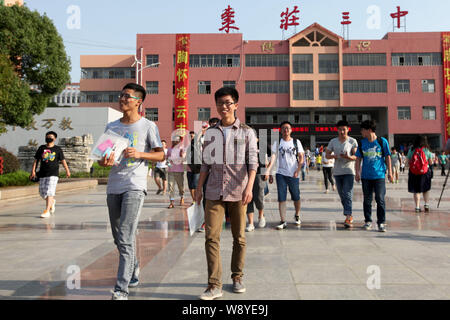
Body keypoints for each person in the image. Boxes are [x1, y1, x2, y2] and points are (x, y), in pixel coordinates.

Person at [98, 83, 164, 300]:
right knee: (119, 237)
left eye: (127, 96)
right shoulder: (112, 127)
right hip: (114, 185)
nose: (122, 99)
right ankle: (133, 268)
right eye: (121, 95)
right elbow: (101, 157)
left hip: (135, 186)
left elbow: (160, 155)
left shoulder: (147, 126)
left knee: (125, 235)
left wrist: (140, 154)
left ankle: (121, 289)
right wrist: (104, 161)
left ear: (139, 102)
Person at [195, 87, 257, 300]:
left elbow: (253, 163)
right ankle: (214, 285)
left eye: (228, 103)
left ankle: (237, 276)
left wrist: (249, 188)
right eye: (220, 103)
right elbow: (205, 164)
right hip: (213, 190)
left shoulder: (247, 132)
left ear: (236, 105)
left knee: (239, 238)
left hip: (239, 192)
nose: (224, 107)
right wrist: (198, 190)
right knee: (211, 237)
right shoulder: (211, 132)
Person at [355, 120, 393, 233]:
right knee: (367, 200)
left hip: (379, 175)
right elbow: (358, 159)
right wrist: (357, 172)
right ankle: (368, 221)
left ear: (369, 130)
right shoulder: (362, 143)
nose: (361, 132)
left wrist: (390, 172)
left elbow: (387, 157)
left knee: (380, 199)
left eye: (362, 130)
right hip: (366, 176)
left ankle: (381, 222)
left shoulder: (382, 141)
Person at [266, 121, 305, 230]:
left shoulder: (296, 142)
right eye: (283, 128)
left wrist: (298, 169)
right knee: (281, 198)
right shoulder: (277, 143)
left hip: (293, 174)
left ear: (291, 130)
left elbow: (301, 157)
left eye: (288, 128)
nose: (286, 130)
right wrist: (269, 170)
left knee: (296, 196)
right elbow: (273, 158)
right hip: (280, 174)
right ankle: (283, 220)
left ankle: (297, 215)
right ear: (280, 130)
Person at [30, 131, 71, 218]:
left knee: (49, 192)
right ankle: (52, 202)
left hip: (53, 174)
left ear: (54, 139)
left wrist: (67, 170)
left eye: (50, 137)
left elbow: (63, 160)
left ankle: (47, 211)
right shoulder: (41, 148)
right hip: (42, 173)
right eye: (47, 136)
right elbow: (36, 160)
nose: (48, 138)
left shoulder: (57, 149)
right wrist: (33, 171)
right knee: (42, 192)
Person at [326, 120, 358, 228]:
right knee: (342, 194)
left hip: (349, 171)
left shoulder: (352, 141)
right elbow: (327, 155)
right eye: (340, 129)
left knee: (347, 193)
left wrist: (348, 157)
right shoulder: (333, 141)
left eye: (344, 129)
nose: (342, 131)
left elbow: (356, 156)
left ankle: (348, 216)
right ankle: (349, 213)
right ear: (337, 130)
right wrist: (335, 156)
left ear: (348, 129)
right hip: (338, 172)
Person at [245, 135, 268, 232]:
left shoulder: (261, 145)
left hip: (259, 174)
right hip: (246, 174)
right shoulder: (244, 146)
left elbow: (266, 160)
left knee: (259, 197)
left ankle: (261, 215)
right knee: (247, 197)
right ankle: (250, 223)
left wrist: (266, 172)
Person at [407, 136, 434, 213]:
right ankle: (426, 204)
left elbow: (407, 162)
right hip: (425, 172)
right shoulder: (426, 150)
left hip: (414, 172)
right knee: (426, 189)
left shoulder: (411, 149)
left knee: (416, 190)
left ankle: (417, 207)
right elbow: (431, 162)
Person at [167, 136, 186, 209]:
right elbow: (167, 160)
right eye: (174, 140)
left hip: (179, 171)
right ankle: (171, 202)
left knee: (180, 187)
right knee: (171, 187)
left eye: (177, 140)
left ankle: (182, 197)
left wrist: (182, 156)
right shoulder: (169, 150)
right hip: (171, 171)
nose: (176, 141)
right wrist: (169, 165)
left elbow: (184, 159)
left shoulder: (182, 149)